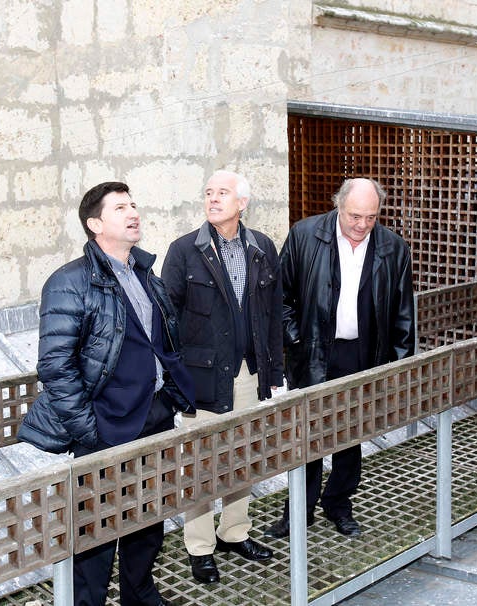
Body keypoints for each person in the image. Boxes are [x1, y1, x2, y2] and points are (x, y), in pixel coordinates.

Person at [18, 181, 194, 606]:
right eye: (120, 208)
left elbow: (160, 340)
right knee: (95, 530)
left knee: (148, 514)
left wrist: (170, 396)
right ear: (95, 224)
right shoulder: (69, 282)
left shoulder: (143, 272)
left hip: (153, 415)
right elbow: (55, 366)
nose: (133, 213)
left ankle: (139, 593)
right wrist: (87, 429)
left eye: (133, 204)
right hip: (104, 425)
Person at [264, 177, 415, 539]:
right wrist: (296, 338)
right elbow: (278, 298)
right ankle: (298, 511)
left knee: (351, 434)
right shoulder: (305, 235)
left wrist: (398, 367)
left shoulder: (393, 247)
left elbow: (403, 314)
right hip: (313, 351)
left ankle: (339, 504)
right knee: (308, 435)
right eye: (355, 216)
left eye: (371, 217)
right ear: (338, 206)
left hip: (363, 353)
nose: (362, 225)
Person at [161, 170, 282, 584]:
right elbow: (167, 318)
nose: (213, 199)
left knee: (241, 457)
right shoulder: (184, 250)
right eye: (209, 193)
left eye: (223, 193)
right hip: (202, 379)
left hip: (248, 372)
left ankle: (234, 532)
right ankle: (199, 547)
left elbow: (272, 315)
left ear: (242, 203)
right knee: (201, 464)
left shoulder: (262, 247)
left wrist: (274, 372)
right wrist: (176, 379)